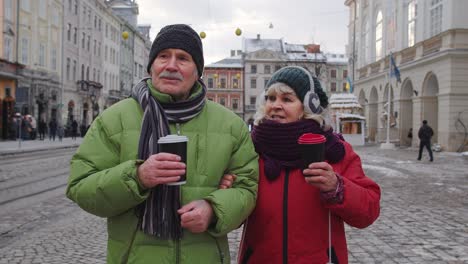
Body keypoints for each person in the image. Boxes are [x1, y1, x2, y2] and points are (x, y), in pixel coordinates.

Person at [66, 24, 259, 264]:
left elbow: (247, 188)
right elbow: (80, 186)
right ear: (152, 66)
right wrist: (137, 176)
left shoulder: (230, 125)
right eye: (163, 56)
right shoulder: (114, 119)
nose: (171, 65)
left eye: (183, 58)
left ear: (197, 71)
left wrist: (214, 209)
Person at [221, 66, 381, 264]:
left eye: (287, 99)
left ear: (309, 106)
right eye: (271, 98)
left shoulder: (334, 151)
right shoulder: (250, 150)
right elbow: (231, 219)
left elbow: (368, 212)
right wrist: (228, 196)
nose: (275, 105)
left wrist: (337, 187)